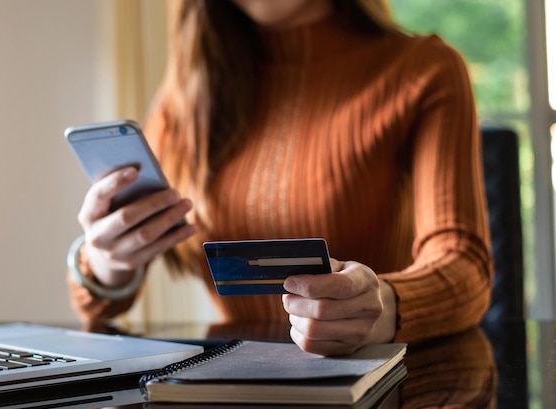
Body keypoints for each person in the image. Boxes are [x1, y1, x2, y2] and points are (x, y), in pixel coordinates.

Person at [67, 0, 493, 356]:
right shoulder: (190, 93)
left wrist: (381, 307)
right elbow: (99, 305)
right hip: (232, 390)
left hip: (379, 390)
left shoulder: (425, 69)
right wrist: (107, 265)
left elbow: (466, 269)